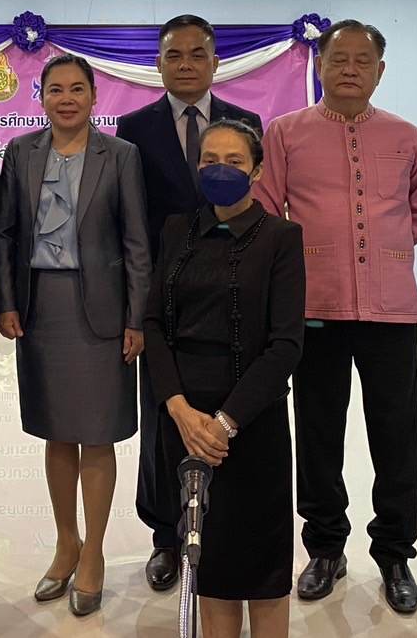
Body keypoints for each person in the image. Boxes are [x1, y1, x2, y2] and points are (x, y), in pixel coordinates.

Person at [255, 19, 417, 614]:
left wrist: (384, 250)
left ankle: (395, 553)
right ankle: (325, 547)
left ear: (380, 71)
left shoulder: (405, 136)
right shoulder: (286, 133)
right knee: (317, 430)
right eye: (340, 59)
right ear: (320, 66)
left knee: (396, 433)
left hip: (390, 308)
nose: (351, 69)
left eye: (364, 61)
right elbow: (267, 208)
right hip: (315, 305)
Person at [0, 54, 151, 617]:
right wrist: (5, 301)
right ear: (40, 97)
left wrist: (137, 317)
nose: (66, 99)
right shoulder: (20, 152)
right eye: (55, 89)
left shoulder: (121, 155)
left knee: (97, 435)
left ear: (93, 96)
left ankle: (95, 553)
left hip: (103, 313)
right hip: (42, 310)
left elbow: (136, 240)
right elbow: (5, 233)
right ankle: (66, 544)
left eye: (77, 89)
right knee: (57, 433)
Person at [115, 14, 262, 592]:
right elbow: (130, 219)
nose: (185, 64)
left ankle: (222, 526)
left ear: (215, 62)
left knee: (227, 408)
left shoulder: (245, 123)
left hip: (231, 289)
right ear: (158, 64)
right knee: (164, 417)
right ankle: (165, 537)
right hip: (164, 295)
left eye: (197, 54)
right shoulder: (133, 128)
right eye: (173, 55)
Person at [143, 119, 303, 638]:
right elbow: (153, 324)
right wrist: (177, 408)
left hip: (250, 422)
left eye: (234, 161)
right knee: (207, 560)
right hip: (184, 421)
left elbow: (286, 344)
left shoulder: (281, 238)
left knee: (260, 562)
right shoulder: (176, 230)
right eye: (210, 160)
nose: (220, 170)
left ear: (257, 171)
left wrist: (224, 424)